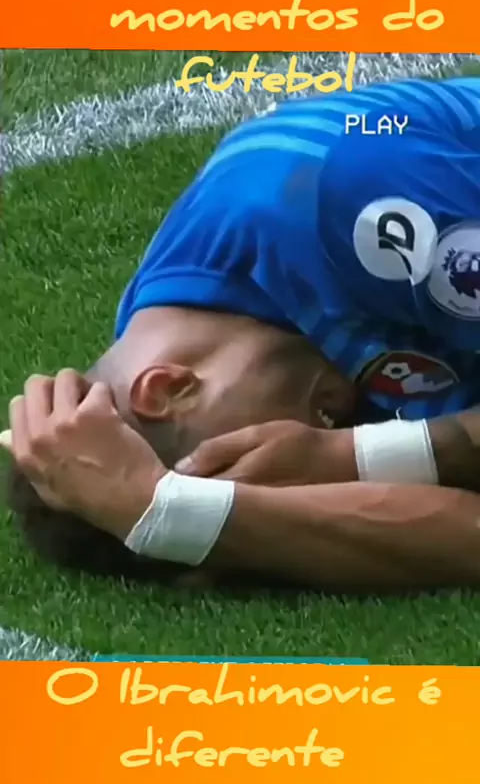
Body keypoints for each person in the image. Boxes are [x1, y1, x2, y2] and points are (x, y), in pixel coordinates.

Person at [3, 74, 480, 593]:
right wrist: (169, 516)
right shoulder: (191, 325)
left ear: (169, 388)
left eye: (240, 463)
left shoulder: (357, 211)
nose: (291, 468)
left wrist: (346, 456)